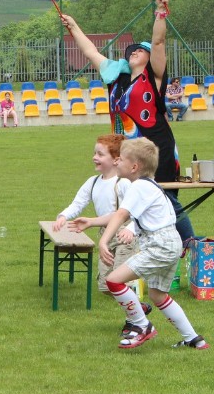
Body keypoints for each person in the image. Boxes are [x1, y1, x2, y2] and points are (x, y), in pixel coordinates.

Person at [59, 0, 195, 244]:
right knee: (132, 202)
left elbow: (158, 42)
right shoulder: (116, 78)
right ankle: (146, 248)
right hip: (127, 153)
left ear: (149, 58)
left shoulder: (153, 77)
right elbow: (90, 52)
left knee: (164, 199)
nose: (134, 52)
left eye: (140, 50)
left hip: (156, 150)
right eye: (132, 50)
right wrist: (73, 26)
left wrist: (160, 12)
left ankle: (191, 244)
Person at [79, 137, 209, 351]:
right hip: (170, 243)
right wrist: (94, 222)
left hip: (159, 246)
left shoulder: (138, 186)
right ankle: (194, 339)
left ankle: (141, 325)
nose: (117, 162)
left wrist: (103, 240)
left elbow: (121, 214)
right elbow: (127, 214)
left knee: (113, 281)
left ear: (134, 167)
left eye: (121, 159)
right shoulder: (149, 185)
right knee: (157, 295)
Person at [54, 134, 152, 320]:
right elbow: (78, 203)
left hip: (125, 236)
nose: (94, 157)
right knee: (105, 285)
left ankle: (136, 320)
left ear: (116, 160)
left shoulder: (123, 183)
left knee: (120, 280)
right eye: (94, 153)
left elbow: (137, 211)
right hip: (105, 235)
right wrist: (63, 216)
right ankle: (139, 306)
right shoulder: (93, 182)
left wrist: (131, 229)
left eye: (100, 154)